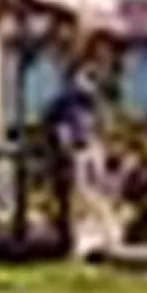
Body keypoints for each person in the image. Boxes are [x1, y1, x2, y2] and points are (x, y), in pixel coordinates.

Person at [43, 68, 117, 260]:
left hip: (91, 150)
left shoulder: (93, 103)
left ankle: (106, 237)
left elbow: (102, 125)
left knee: (98, 194)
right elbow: (55, 129)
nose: (84, 85)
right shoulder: (61, 105)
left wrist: (101, 146)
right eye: (80, 80)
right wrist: (63, 144)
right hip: (74, 154)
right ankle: (79, 242)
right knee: (78, 197)